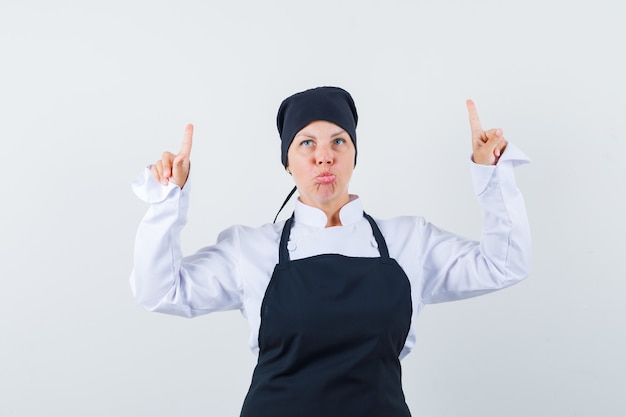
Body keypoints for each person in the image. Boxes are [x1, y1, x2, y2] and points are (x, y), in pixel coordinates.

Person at [130, 86, 531, 417]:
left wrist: (492, 176)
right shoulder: (250, 249)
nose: (325, 155)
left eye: (339, 140)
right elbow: (160, 291)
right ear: (287, 161)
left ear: (354, 154)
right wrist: (168, 200)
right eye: (307, 143)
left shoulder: (410, 242)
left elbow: (504, 265)